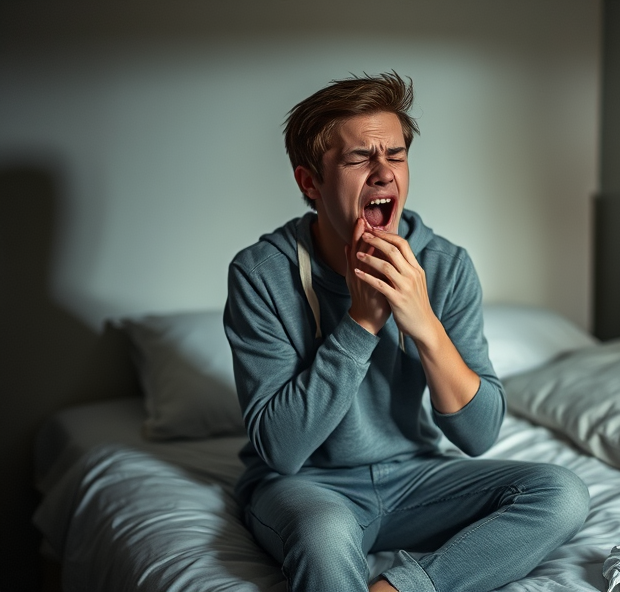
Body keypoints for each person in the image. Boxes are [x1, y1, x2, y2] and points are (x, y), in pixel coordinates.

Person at [224, 71, 589, 592]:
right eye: (358, 159)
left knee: (564, 493)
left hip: (417, 480)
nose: (383, 173)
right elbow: (280, 450)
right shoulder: (261, 273)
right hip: (307, 487)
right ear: (310, 182)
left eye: (395, 155)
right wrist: (362, 320)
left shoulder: (445, 266)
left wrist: (423, 322)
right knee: (325, 535)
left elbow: (479, 435)